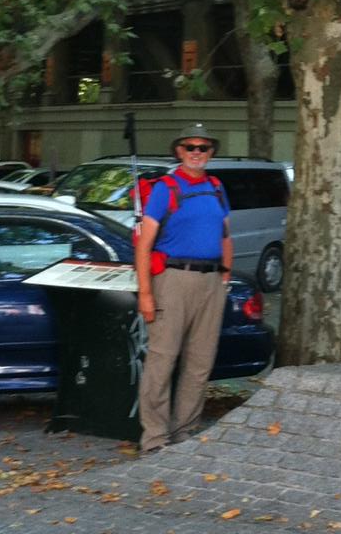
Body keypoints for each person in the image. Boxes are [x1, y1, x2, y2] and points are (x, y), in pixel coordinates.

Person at [135, 122, 233, 454]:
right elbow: (144, 245)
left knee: (200, 362)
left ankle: (184, 432)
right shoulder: (166, 188)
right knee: (162, 360)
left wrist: (224, 278)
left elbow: (225, 236)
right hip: (172, 281)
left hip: (210, 282)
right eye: (190, 147)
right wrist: (146, 294)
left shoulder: (217, 188)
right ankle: (155, 438)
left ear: (211, 153)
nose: (196, 153)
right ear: (179, 151)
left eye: (203, 148)